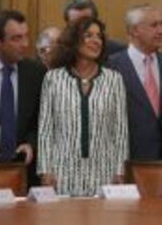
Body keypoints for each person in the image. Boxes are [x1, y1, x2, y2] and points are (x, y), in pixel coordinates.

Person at [37, 16, 128, 196]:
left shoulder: (114, 79)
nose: (96, 41)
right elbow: (46, 131)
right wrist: (45, 171)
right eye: (88, 35)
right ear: (73, 40)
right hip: (61, 174)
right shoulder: (53, 79)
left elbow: (120, 132)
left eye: (99, 36)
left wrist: (120, 171)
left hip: (105, 174)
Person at [108, 4, 162, 160]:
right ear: (134, 31)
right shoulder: (110, 67)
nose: (161, 31)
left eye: (161, 24)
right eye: (154, 25)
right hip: (127, 161)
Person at [0, 10, 45, 186]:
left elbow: (41, 120)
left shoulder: (36, 73)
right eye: (16, 38)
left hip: (25, 172)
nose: (25, 44)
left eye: (26, 36)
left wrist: (31, 144)